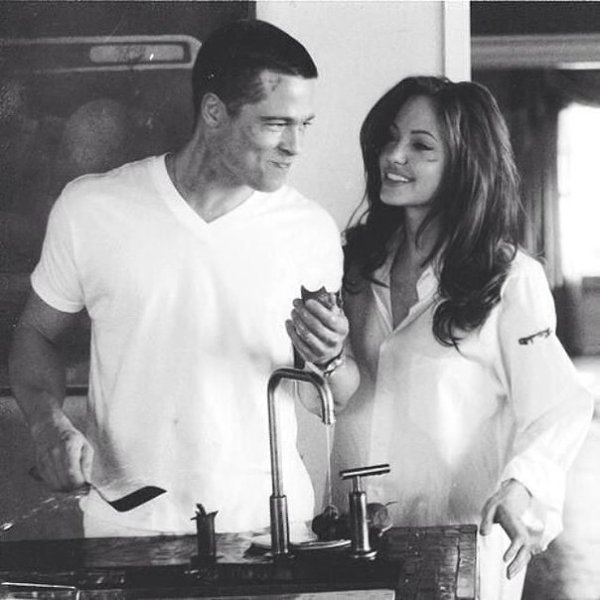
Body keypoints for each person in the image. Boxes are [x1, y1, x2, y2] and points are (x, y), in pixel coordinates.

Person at [8, 19, 353, 538]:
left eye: (305, 124)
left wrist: (331, 357)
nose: (295, 145)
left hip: (268, 530)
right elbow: (34, 333)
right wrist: (46, 423)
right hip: (127, 529)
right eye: (276, 123)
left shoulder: (310, 230)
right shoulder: (91, 208)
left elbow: (326, 397)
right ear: (214, 112)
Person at [290, 76, 593, 599]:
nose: (393, 156)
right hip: (355, 545)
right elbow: (329, 401)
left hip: (459, 547)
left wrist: (522, 486)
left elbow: (559, 407)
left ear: (465, 165)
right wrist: (326, 357)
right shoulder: (354, 266)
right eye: (390, 139)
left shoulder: (509, 280)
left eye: (420, 146)